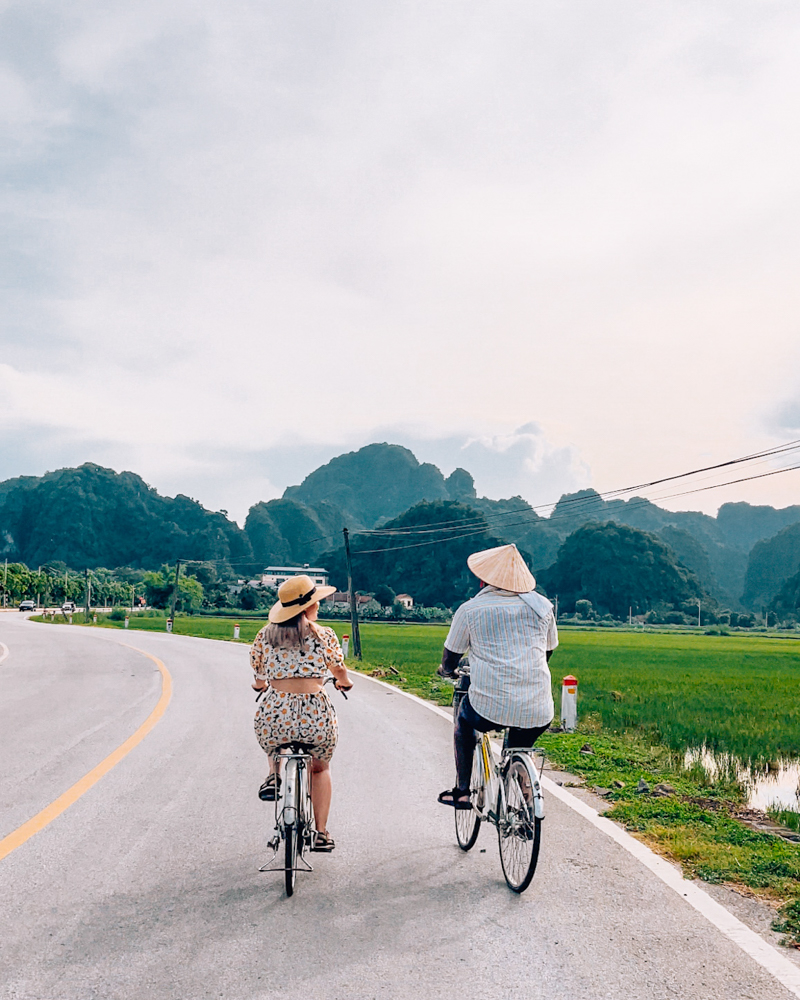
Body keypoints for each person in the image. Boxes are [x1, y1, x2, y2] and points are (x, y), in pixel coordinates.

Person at [436, 544, 558, 808]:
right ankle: (528, 806)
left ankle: (463, 791)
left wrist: (446, 670)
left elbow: (451, 657)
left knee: (464, 723)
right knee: (519, 747)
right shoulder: (543, 607)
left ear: (484, 579)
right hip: (538, 707)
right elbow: (546, 652)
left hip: (488, 706)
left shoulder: (470, 610)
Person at [250, 575, 352, 851]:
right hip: (315, 713)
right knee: (320, 768)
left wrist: (260, 684)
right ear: (308, 608)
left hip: (276, 713)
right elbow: (339, 670)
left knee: (274, 743)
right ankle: (321, 833)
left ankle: (274, 773)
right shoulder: (324, 634)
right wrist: (345, 681)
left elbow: (259, 675)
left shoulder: (265, 635)